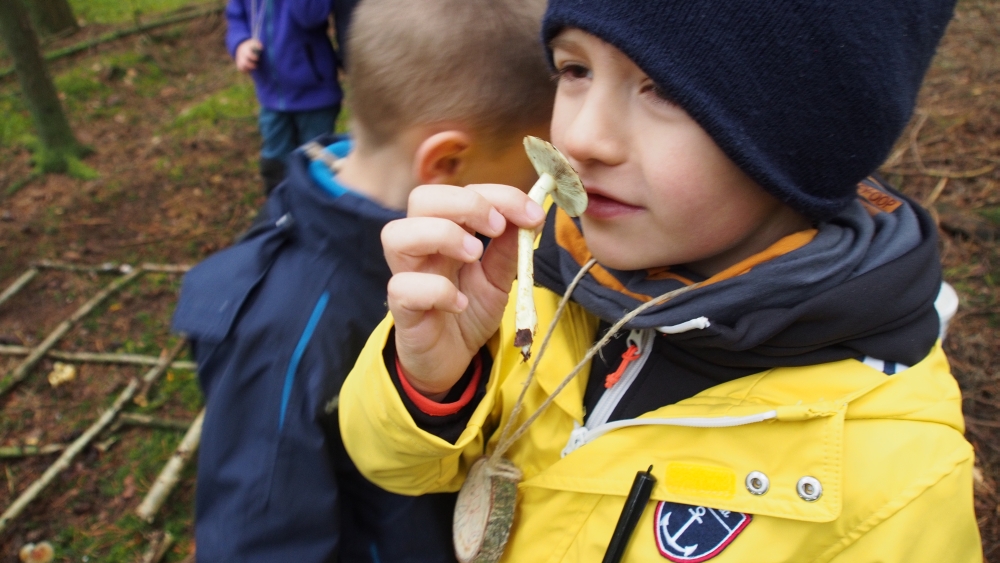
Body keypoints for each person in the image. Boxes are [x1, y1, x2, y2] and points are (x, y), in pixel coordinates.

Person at [338, 0, 984, 561]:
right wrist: (427, 383)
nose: (582, 138)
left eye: (665, 88)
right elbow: (395, 463)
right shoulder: (538, 273)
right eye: (574, 70)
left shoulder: (898, 483)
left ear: (806, 133)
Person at [172, 0, 554, 560]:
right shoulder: (283, 330)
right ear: (447, 163)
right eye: (530, 175)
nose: (535, 201)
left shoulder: (454, 253)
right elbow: (259, 539)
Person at [225, 0, 351, 195]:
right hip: (271, 95)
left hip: (315, 94)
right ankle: (280, 210)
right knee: (275, 158)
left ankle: (317, 211)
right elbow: (236, 17)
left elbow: (312, 17)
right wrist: (240, 42)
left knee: (315, 159)